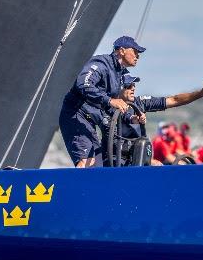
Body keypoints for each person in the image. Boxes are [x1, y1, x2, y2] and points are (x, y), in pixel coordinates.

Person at [59, 35, 144, 168]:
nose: (137, 56)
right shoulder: (101, 64)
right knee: (88, 163)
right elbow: (83, 84)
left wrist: (131, 117)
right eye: (135, 51)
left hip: (89, 121)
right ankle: (78, 188)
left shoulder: (119, 73)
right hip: (75, 115)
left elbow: (109, 107)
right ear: (121, 51)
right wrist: (110, 100)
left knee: (98, 164)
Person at [105, 74, 203, 166]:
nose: (133, 88)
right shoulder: (107, 105)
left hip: (136, 156)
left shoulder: (140, 102)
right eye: (128, 86)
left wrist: (200, 93)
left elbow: (174, 100)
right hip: (113, 158)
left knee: (157, 166)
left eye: (134, 85)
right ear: (117, 88)